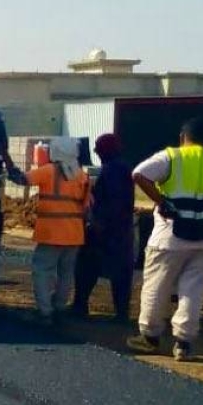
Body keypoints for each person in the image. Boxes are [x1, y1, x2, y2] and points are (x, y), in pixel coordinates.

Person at [127, 117, 203, 361]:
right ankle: (184, 343)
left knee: (157, 285)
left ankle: (149, 337)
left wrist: (161, 201)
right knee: (194, 291)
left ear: (183, 137)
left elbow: (139, 174)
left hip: (170, 236)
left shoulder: (172, 157)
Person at [2, 138, 91, 323]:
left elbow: (21, 179)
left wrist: (8, 162)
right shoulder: (82, 175)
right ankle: (59, 306)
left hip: (51, 232)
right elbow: (87, 206)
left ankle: (45, 311)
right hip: (74, 234)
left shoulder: (49, 171)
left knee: (42, 270)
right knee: (66, 273)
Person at [70, 133, 136, 321]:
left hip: (107, 229)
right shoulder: (121, 168)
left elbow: (113, 201)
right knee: (120, 272)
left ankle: (80, 306)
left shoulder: (112, 171)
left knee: (86, 265)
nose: (97, 153)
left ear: (105, 151)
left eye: (98, 150)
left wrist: (98, 223)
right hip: (121, 228)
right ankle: (121, 313)